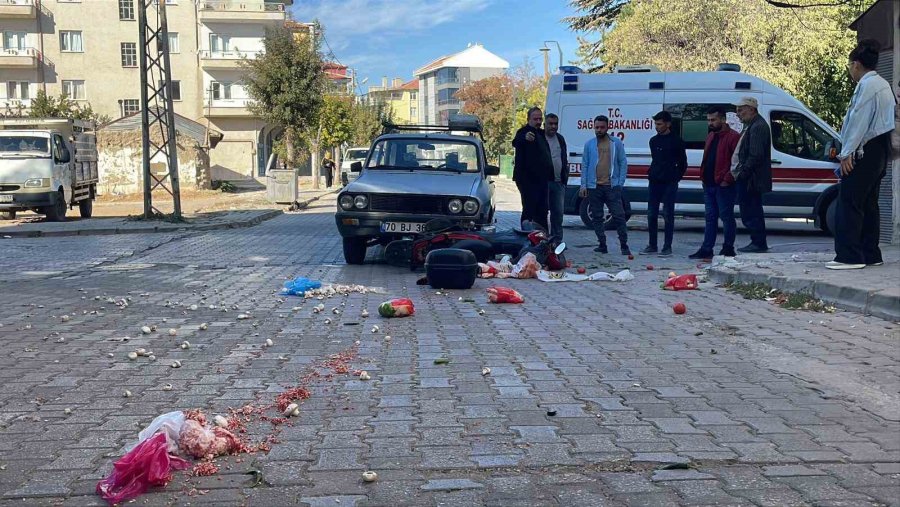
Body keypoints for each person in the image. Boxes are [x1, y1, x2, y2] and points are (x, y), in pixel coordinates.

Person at [828, 40, 896, 270]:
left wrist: (846, 153)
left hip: (864, 150)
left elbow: (858, 121)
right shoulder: (883, 84)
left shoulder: (868, 86)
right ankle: (870, 253)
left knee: (849, 202)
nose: (850, 69)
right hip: (879, 150)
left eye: (850, 65)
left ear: (856, 64)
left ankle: (849, 256)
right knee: (868, 203)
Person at [689, 106, 741, 259]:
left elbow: (737, 162)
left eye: (713, 120)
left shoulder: (733, 137)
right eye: (708, 120)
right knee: (710, 217)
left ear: (723, 120)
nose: (710, 123)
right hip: (709, 183)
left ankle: (728, 248)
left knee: (726, 217)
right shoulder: (711, 136)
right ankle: (707, 249)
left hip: (724, 185)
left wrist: (727, 179)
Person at [578, 115, 631, 255]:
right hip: (594, 186)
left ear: (608, 127)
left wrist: (620, 183)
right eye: (596, 127)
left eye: (602, 127)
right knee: (597, 216)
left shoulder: (616, 143)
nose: (599, 130)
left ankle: (624, 245)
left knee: (619, 216)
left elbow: (623, 162)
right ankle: (602, 244)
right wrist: (583, 185)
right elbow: (585, 164)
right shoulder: (589, 144)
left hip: (612, 186)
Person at [642, 111, 687, 256]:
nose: (657, 127)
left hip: (669, 181)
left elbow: (683, 163)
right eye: (656, 124)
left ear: (668, 124)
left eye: (660, 124)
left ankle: (667, 246)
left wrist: (675, 177)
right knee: (651, 214)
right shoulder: (653, 141)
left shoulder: (677, 141)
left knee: (668, 214)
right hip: (655, 180)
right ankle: (652, 244)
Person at [731, 96, 772, 253]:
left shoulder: (758, 126)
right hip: (749, 178)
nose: (738, 113)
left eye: (741, 110)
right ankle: (756, 241)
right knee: (749, 210)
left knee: (751, 211)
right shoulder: (750, 125)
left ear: (751, 109)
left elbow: (755, 155)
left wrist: (743, 173)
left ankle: (758, 242)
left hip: (751, 179)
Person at [512, 107, 553, 230]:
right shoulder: (524, 132)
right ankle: (526, 235)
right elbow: (516, 141)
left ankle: (543, 236)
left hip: (542, 179)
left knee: (543, 209)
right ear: (528, 119)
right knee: (529, 207)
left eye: (540, 119)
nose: (538, 121)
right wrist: (525, 137)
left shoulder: (541, 133)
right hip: (527, 179)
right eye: (535, 119)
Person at [544, 113, 569, 240]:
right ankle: (542, 241)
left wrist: (565, 178)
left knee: (558, 215)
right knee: (542, 214)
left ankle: (557, 242)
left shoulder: (560, 138)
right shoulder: (540, 138)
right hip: (544, 183)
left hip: (559, 183)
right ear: (545, 124)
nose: (553, 126)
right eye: (550, 124)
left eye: (555, 124)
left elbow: (563, 158)